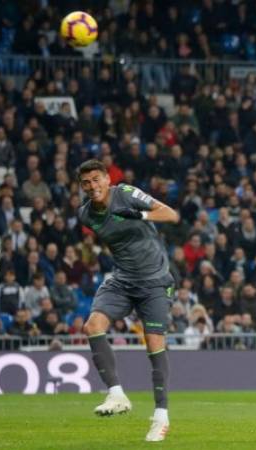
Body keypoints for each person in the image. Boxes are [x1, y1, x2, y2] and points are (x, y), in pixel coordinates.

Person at [77, 159, 179, 442]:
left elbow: (170, 214)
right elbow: (112, 241)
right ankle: (116, 394)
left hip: (155, 281)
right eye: (86, 182)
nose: (93, 186)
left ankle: (161, 417)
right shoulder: (86, 215)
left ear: (107, 179)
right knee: (92, 325)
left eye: (97, 179)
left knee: (154, 342)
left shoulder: (126, 194)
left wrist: (140, 217)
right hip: (122, 279)